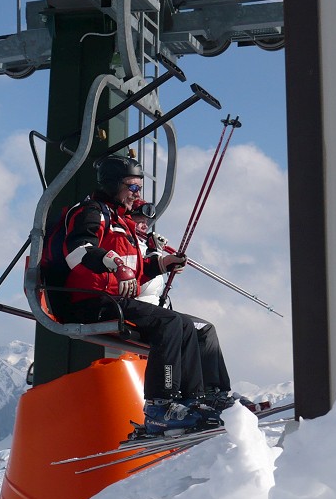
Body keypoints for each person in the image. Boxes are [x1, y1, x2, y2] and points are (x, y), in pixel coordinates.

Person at [61, 154, 220, 435]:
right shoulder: (92, 212)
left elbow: (134, 270)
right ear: (113, 184)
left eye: (139, 188)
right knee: (168, 322)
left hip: (116, 299)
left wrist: (162, 264)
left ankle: (193, 400)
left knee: (184, 324)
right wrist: (112, 262)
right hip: (90, 300)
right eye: (132, 187)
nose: (137, 194)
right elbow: (77, 252)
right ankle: (160, 407)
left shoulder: (122, 221)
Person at [127, 200, 233, 410]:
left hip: (157, 309)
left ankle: (214, 391)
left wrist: (167, 262)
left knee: (205, 328)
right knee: (184, 326)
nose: (144, 225)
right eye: (139, 220)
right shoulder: (127, 244)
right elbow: (137, 281)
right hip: (139, 309)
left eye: (147, 221)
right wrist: (159, 260)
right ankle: (189, 394)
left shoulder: (145, 245)